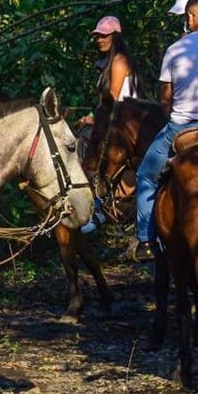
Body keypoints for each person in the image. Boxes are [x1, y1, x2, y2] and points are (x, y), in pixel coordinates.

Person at [134, 0, 198, 261]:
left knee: (145, 175)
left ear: (191, 18)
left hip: (182, 129)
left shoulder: (175, 50)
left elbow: (165, 99)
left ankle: (146, 240)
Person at [78, 16, 142, 233]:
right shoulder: (108, 63)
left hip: (124, 122)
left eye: (104, 35)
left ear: (115, 37)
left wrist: (94, 121)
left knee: (88, 148)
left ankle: (99, 208)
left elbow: (114, 101)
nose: (99, 39)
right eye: (97, 36)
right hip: (115, 121)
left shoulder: (119, 61)